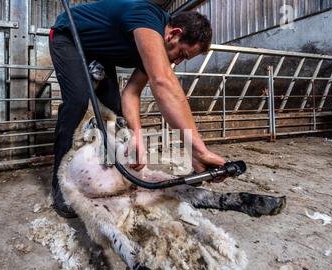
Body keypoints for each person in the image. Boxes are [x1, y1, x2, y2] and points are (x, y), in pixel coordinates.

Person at [49, 0, 226, 218]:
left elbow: (131, 93)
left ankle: (110, 170)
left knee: (118, 113)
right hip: (69, 37)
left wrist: (137, 138)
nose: (178, 62)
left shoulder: (158, 44)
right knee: (77, 101)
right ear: (174, 34)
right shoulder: (146, 18)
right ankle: (60, 183)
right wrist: (198, 150)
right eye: (182, 54)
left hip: (99, 51)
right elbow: (162, 82)